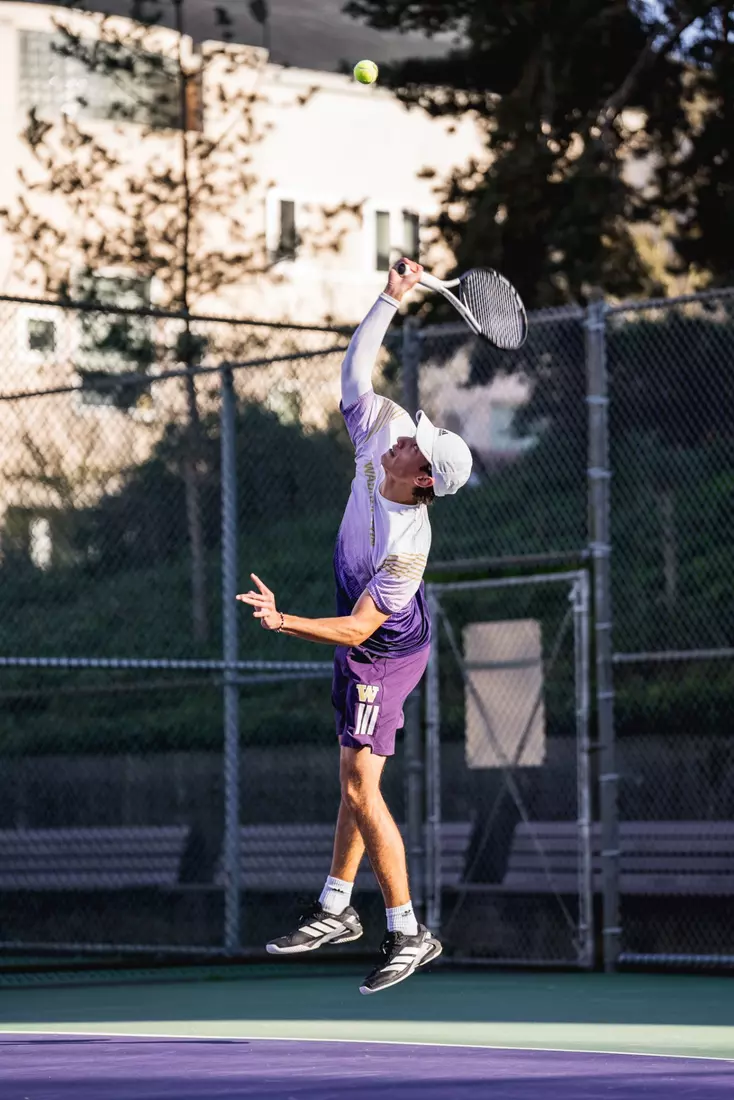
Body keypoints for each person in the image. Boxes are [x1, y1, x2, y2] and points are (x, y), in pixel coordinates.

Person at [237, 258, 473, 995]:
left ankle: (407, 928)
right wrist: (390, 298)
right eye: (410, 437)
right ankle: (337, 908)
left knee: (362, 788)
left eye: (415, 450)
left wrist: (282, 621)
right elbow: (353, 375)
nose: (406, 437)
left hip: (382, 648)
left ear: (423, 481)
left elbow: (354, 632)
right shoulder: (387, 431)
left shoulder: (410, 548)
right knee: (352, 780)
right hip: (359, 630)